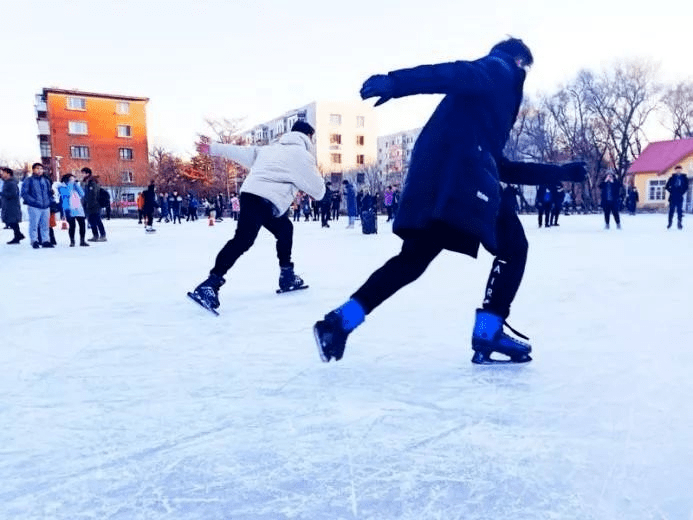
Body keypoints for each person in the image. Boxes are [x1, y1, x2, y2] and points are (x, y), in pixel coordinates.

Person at [313, 37, 586, 364]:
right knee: (513, 246)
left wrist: (558, 173)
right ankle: (489, 331)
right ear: (519, 62)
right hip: (464, 178)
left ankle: (339, 323)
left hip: (440, 181)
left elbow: (501, 165)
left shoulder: (483, 113)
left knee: (412, 261)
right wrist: (397, 82)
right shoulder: (499, 70)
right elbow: (454, 73)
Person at [187, 120, 326, 313]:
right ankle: (210, 284)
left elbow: (238, 152)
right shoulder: (303, 156)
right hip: (265, 201)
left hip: (253, 197)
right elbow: (319, 191)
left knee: (285, 229)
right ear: (309, 137)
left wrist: (212, 148)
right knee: (243, 241)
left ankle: (287, 275)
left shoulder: (270, 149)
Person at [20, 162, 53, 248]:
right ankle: (34, 241)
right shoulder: (29, 180)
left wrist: (50, 201)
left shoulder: (46, 180)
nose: (39, 170)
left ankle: (45, 240)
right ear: (33, 170)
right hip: (34, 206)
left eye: (41, 169)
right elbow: (24, 193)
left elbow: (49, 192)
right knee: (34, 225)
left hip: (45, 206)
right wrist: (32, 201)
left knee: (45, 225)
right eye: (37, 168)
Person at [57, 173, 89, 246]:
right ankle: (72, 241)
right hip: (69, 209)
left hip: (78, 207)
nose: (73, 180)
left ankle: (82, 240)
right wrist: (71, 184)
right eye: (71, 179)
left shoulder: (75, 186)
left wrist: (77, 185)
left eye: (73, 179)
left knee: (82, 224)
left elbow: (82, 194)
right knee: (72, 225)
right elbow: (67, 194)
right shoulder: (62, 187)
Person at [81, 168, 107, 241]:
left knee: (97, 220)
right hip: (88, 205)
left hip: (94, 205)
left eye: (83, 173)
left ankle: (103, 235)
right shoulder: (86, 182)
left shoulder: (92, 182)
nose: (82, 175)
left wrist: (91, 204)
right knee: (91, 221)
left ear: (87, 173)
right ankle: (95, 235)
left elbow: (93, 195)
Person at [0, 167, 24, 244]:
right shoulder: (7, 182)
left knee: (12, 221)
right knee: (11, 221)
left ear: (8, 173)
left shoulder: (11, 183)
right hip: (8, 205)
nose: (1, 174)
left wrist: (2, 194)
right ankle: (18, 235)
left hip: (12, 205)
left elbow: (13, 194)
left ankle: (18, 235)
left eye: (3, 173)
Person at [665, 165, 689, 229]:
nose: (678, 170)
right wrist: (672, 191)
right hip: (672, 196)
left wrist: (682, 192)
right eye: (677, 169)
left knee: (679, 211)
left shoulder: (684, 178)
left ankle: (679, 223)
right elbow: (666, 186)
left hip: (679, 196)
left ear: (681, 170)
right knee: (671, 210)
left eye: (680, 169)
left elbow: (686, 187)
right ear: (675, 170)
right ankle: (669, 223)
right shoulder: (672, 178)